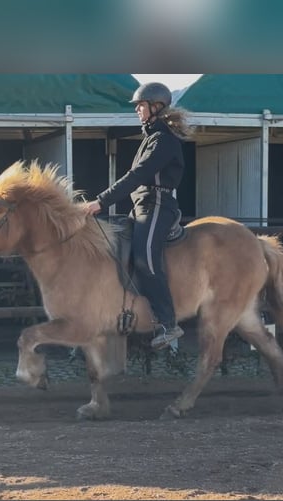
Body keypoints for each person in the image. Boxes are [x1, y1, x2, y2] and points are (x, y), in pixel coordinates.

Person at [81, 81, 194, 350]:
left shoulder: (164, 140)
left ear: (156, 107)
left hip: (157, 205)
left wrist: (101, 201)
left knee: (144, 258)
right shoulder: (150, 139)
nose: (137, 111)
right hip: (140, 206)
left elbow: (138, 176)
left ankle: (168, 324)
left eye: (140, 106)